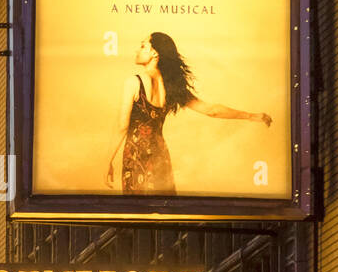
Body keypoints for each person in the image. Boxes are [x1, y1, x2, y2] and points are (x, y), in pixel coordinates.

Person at [104, 33, 272, 193]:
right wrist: (252, 116)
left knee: (139, 211)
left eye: (142, 46)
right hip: (160, 155)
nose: (136, 50)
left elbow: (122, 127)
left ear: (154, 53)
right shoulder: (171, 88)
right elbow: (211, 110)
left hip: (136, 157)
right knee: (164, 210)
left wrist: (108, 161)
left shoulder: (133, 82)